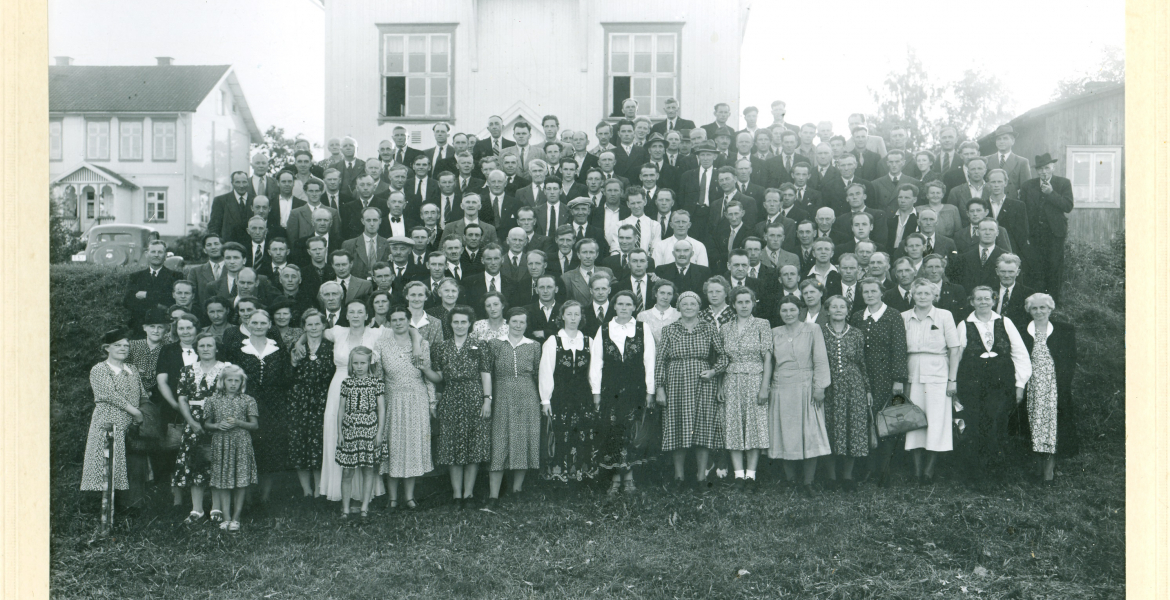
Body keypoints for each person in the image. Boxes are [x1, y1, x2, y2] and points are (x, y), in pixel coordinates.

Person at [306, 293, 383, 502]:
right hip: (339, 387)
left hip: (366, 391)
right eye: (352, 312)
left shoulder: (376, 333)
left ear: (367, 314)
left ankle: (365, 494)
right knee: (338, 435)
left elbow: (408, 332)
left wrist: (417, 340)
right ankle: (339, 491)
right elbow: (313, 330)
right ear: (346, 315)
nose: (356, 315)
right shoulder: (338, 332)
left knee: (364, 436)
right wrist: (299, 342)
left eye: (360, 311)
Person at [955, 286, 1032, 482]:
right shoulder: (964, 324)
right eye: (978, 299)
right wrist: (954, 384)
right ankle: (976, 475)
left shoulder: (1005, 322)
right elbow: (956, 357)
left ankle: (996, 473)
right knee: (976, 424)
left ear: (993, 300)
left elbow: (1020, 354)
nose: (983, 302)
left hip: (1001, 382)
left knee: (997, 422)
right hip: (972, 383)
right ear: (971, 302)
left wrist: (1020, 384)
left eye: (987, 298)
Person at [655, 291, 729, 490]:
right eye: (685, 304)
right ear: (679, 307)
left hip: (702, 383)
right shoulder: (670, 329)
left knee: (703, 428)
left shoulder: (709, 328)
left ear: (699, 307)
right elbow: (661, 360)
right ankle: (679, 477)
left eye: (693, 304)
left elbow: (723, 356)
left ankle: (701, 477)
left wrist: (714, 372)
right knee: (677, 428)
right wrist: (660, 388)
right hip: (676, 382)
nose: (689, 307)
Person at [421, 306, 492, 508]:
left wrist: (487, 399)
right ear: (450, 324)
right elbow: (439, 377)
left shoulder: (479, 345)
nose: (460, 326)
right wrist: (425, 368)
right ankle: (456, 494)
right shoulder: (442, 347)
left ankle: (468, 494)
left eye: (463, 322)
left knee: (473, 446)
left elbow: (485, 374)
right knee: (452, 447)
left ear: (470, 324)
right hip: (451, 398)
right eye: (456, 322)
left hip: (474, 397)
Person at [223, 309, 291, 505]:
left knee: (270, 447)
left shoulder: (277, 347)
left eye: (263, 323)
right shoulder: (237, 347)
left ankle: (265, 496)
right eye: (255, 323)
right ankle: (247, 495)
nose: (259, 327)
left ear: (270, 325)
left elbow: (286, 376)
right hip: (246, 404)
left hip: (274, 405)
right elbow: (229, 376)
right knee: (247, 447)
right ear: (248, 324)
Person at [591, 290, 656, 493]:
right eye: (620, 304)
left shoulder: (642, 328)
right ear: (614, 306)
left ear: (634, 307)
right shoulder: (603, 329)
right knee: (613, 431)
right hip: (610, 389)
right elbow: (596, 362)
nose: (624, 308)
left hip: (635, 388)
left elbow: (649, 361)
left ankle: (629, 478)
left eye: (629, 304)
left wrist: (650, 390)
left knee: (632, 432)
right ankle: (615, 478)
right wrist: (596, 392)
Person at [848, 279, 908, 487]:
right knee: (865, 421)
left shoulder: (892, 315)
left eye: (874, 291)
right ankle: (868, 469)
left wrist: (898, 380)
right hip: (862, 376)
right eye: (866, 292)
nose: (870, 295)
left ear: (881, 293)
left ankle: (885, 471)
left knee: (885, 422)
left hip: (886, 377)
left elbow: (899, 349)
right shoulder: (857, 317)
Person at [480, 308, 543, 507]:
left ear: (526, 325)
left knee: (522, 440)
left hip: (527, 396)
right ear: (508, 323)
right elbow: (487, 371)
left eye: (521, 322)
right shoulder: (495, 344)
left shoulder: (534, 345)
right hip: (502, 395)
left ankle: (517, 490)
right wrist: (488, 398)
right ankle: (493, 495)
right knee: (499, 441)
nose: (517, 325)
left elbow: (538, 373)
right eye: (514, 321)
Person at [80, 328, 148, 512]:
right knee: (108, 461)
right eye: (117, 345)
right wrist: (135, 412)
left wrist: (141, 413)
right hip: (108, 422)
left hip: (131, 424)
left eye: (126, 346)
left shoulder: (132, 369)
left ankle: (129, 505)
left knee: (130, 462)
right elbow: (109, 395)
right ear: (107, 348)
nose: (123, 349)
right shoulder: (100, 369)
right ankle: (104, 508)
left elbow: (142, 393)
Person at [902, 278, 962, 484]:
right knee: (914, 422)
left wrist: (952, 380)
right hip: (912, 374)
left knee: (936, 422)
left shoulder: (944, 316)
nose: (922, 297)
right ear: (912, 295)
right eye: (918, 293)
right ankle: (916, 471)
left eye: (927, 293)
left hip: (938, 374)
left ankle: (929, 471)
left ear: (934, 296)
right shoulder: (904, 317)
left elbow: (954, 349)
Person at [377, 305, 436, 509]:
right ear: (389, 323)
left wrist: (431, 402)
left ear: (408, 321)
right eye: (394, 320)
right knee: (393, 447)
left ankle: (409, 496)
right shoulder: (382, 344)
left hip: (416, 398)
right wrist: (379, 402)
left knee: (411, 447)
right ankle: (393, 498)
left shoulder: (421, 343)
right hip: (392, 399)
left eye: (402, 319)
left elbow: (427, 376)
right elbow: (378, 376)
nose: (398, 323)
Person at [1020, 293, 1079, 483]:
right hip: (1031, 385)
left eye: (1042, 308)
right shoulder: (1022, 330)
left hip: (1054, 386)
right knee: (1035, 424)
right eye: (1034, 308)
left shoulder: (1064, 330)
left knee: (1052, 426)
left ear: (1050, 309)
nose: (1039, 312)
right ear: (1029, 310)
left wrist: (1062, 385)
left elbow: (1070, 360)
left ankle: (1049, 471)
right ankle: (1037, 467)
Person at [719, 287, 773, 490]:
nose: (743, 306)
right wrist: (719, 385)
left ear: (753, 303)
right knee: (733, 425)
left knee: (754, 426)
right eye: (739, 302)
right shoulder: (725, 327)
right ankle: (738, 475)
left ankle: (751, 475)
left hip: (755, 379)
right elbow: (722, 359)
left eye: (747, 302)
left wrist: (764, 387)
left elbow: (767, 358)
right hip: (731, 379)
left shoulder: (762, 324)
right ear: (733, 304)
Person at [538, 301, 599, 483]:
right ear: (562, 316)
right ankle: (558, 476)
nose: (573, 318)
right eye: (569, 314)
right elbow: (546, 371)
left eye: (577, 314)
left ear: (582, 317)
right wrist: (545, 400)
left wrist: (595, 392)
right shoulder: (553, 341)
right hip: (560, 395)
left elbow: (594, 371)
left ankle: (580, 474)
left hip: (582, 395)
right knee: (560, 432)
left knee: (582, 432)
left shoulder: (589, 341)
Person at [171, 332, 228, 523]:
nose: (205, 349)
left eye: (209, 346)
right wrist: (192, 423)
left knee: (217, 463)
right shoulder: (188, 370)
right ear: (197, 348)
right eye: (202, 346)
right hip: (193, 420)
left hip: (219, 420)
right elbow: (182, 398)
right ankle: (197, 509)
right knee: (195, 462)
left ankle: (217, 508)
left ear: (216, 348)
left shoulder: (226, 370)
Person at [819, 296, 872, 492]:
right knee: (830, 427)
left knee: (852, 428)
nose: (839, 309)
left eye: (843, 306)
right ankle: (831, 477)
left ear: (848, 310)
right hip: (829, 386)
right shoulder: (820, 332)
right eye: (834, 306)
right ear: (828, 310)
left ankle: (848, 476)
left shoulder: (857, 333)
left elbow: (861, 362)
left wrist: (866, 389)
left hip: (853, 385)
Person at [203, 364, 258, 533]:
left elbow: (254, 425)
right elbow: (206, 424)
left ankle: (236, 517)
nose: (233, 384)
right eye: (229, 380)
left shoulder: (248, 400)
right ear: (223, 381)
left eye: (236, 381)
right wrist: (218, 425)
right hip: (221, 442)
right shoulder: (212, 400)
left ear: (241, 382)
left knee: (241, 480)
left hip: (241, 442)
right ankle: (226, 517)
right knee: (223, 481)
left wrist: (239, 423)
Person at [154, 311, 202, 506]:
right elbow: (162, 381)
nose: (185, 332)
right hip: (174, 409)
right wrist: (174, 404)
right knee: (176, 452)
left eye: (189, 328)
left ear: (196, 328)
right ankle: (177, 498)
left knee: (200, 451)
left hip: (203, 409)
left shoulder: (207, 347)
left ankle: (200, 498)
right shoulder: (168, 350)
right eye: (180, 328)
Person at [287, 309, 334, 500]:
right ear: (304, 327)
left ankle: (319, 488)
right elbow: (288, 375)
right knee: (300, 443)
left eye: (317, 324)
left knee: (319, 444)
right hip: (300, 401)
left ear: (324, 326)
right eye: (309, 324)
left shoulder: (331, 347)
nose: (313, 328)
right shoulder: (296, 347)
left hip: (323, 400)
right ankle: (306, 490)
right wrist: (293, 362)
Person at [334, 346, 385, 518]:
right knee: (347, 471)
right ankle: (346, 508)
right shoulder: (347, 383)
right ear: (351, 364)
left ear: (369, 363)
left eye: (363, 363)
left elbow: (382, 409)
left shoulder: (376, 383)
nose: (359, 366)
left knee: (368, 469)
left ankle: (364, 508)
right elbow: (341, 409)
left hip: (369, 429)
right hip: (350, 429)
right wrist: (340, 433)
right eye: (355, 363)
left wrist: (379, 433)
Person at [1018, 153, 1074, 301]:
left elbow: (1068, 206)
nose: (1044, 171)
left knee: (1054, 266)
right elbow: (1022, 210)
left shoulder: (1063, 183)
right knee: (1035, 266)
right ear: (1037, 171)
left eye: (1047, 168)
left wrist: (1051, 193)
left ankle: (1053, 301)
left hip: (1055, 233)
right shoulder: (1028, 185)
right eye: (1040, 169)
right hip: (1034, 234)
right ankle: (1035, 301)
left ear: (1053, 167)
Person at [638, 279, 681, 343]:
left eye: (669, 294)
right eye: (662, 293)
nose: (665, 297)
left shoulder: (679, 315)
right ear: (655, 294)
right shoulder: (642, 316)